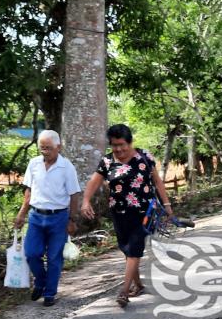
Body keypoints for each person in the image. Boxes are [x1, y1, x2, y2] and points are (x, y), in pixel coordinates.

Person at [80, 124, 174, 308]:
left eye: (122, 144)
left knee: (134, 248)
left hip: (145, 212)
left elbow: (157, 181)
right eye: (114, 145)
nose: (119, 149)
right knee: (127, 249)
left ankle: (124, 291)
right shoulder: (107, 162)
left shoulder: (144, 156)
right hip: (119, 213)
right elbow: (94, 181)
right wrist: (85, 201)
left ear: (130, 142)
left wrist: (168, 206)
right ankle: (138, 285)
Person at [14, 130, 81, 307]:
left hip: (58, 218)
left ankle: (50, 292)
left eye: (48, 148)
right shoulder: (34, 164)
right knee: (31, 253)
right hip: (36, 216)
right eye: (42, 148)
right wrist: (21, 213)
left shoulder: (67, 167)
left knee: (53, 257)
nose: (45, 151)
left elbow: (74, 195)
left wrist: (72, 220)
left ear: (58, 147)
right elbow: (28, 191)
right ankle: (41, 282)